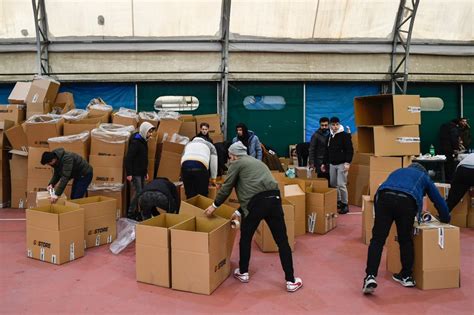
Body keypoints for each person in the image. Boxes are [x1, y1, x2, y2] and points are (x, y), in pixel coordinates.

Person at [204, 142, 303, 292]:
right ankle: (291, 280)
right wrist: (239, 211)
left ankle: (243, 272)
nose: (229, 158)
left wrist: (214, 205)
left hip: (255, 205)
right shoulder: (257, 162)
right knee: (282, 241)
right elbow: (256, 189)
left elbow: (227, 187)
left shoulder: (237, 163)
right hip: (274, 200)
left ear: (234, 155)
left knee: (246, 238)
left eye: (230, 156)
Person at [362, 163, 450, 295]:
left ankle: (370, 276)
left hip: (384, 198)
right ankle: (406, 276)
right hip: (407, 201)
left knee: (378, 240)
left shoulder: (397, 171)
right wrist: (445, 218)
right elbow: (438, 199)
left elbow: (383, 188)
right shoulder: (424, 177)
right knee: (405, 239)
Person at [323, 117, 353, 214]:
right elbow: (327, 151)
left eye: (337, 124)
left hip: (342, 164)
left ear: (339, 124)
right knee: (333, 184)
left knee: (341, 184)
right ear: (330, 126)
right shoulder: (330, 136)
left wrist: (347, 162)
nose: (335, 127)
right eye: (333, 125)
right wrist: (324, 163)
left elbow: (350, 150)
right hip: (332, 164)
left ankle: (345, 204)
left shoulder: (345, 135)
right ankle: (339, 201)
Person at [125, 121, 155, 219]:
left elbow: (144, 159)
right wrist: (129, 173)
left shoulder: (143, 141)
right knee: (138, 193)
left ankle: (142, 212)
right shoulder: (136, 142)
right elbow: (129, 158)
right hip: (135, 173)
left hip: (141, 172)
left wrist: (145, 172)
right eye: (149, 132)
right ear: (144, 131)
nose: (150, 134)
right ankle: (130, 213)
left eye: (151, 132)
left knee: (142, 192)